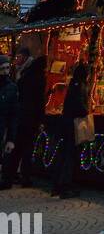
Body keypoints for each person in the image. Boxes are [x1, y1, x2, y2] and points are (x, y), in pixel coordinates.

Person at [2, 43, 46, 188]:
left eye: (19, 57)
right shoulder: (28, 73)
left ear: (26, 58)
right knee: (24, 149)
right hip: (27, 118)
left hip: (25, 118)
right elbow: (39, 100)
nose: (16, 60)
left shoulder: (28, 74)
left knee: (19, 149)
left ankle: (12, 177)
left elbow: (35, 99)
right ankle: (21, 177)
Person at [51, 62, 90, 199]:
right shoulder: (80, 86)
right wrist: (86, 111)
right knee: (70, 155)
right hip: (73, 124)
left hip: (66, 123)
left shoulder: (73, 84)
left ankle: (57, 184)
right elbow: (79, 105)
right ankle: (65, 186)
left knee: (63, 154)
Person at [0, 55, 19, 189]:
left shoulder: (12, 87)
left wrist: (11, 138)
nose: (6, 71)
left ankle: (5, 181)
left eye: (7, 67)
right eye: (3, 68)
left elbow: (14, 114)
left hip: (3, 129)